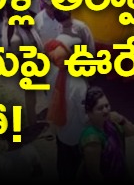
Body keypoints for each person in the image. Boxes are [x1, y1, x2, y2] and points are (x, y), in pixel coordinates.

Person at [45, 37, 89, 183]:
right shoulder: (78, 83)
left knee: (64, 168)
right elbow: (84, 115)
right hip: (78, 136)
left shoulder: (52, 75)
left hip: (60, 132)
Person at [79, 86, 134, 183]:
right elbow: (94, 173)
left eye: (107, 105)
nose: (106, 110)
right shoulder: (92, 138)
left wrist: (122, 120)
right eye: (100, 108)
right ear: (89, 112)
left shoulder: (111, 122)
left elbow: (131, 132)